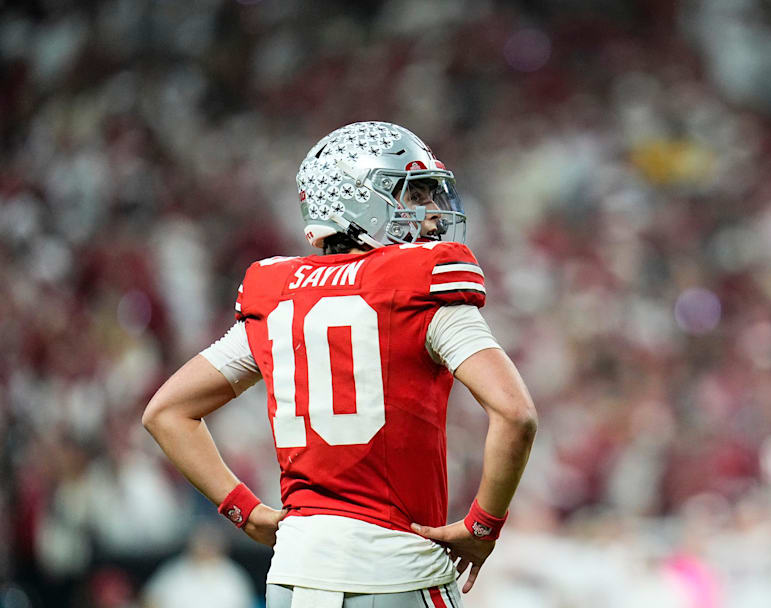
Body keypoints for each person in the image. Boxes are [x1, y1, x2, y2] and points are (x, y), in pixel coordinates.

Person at [143, 121, 539, 608]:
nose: (435, 217)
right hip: (396, 570)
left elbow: (166, 412)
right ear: (354, 199)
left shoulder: (276, 294)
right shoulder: (421, 285)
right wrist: (483, 526)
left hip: (292, 576)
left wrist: (244, 512)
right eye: (414, 196)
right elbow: (516, 413)